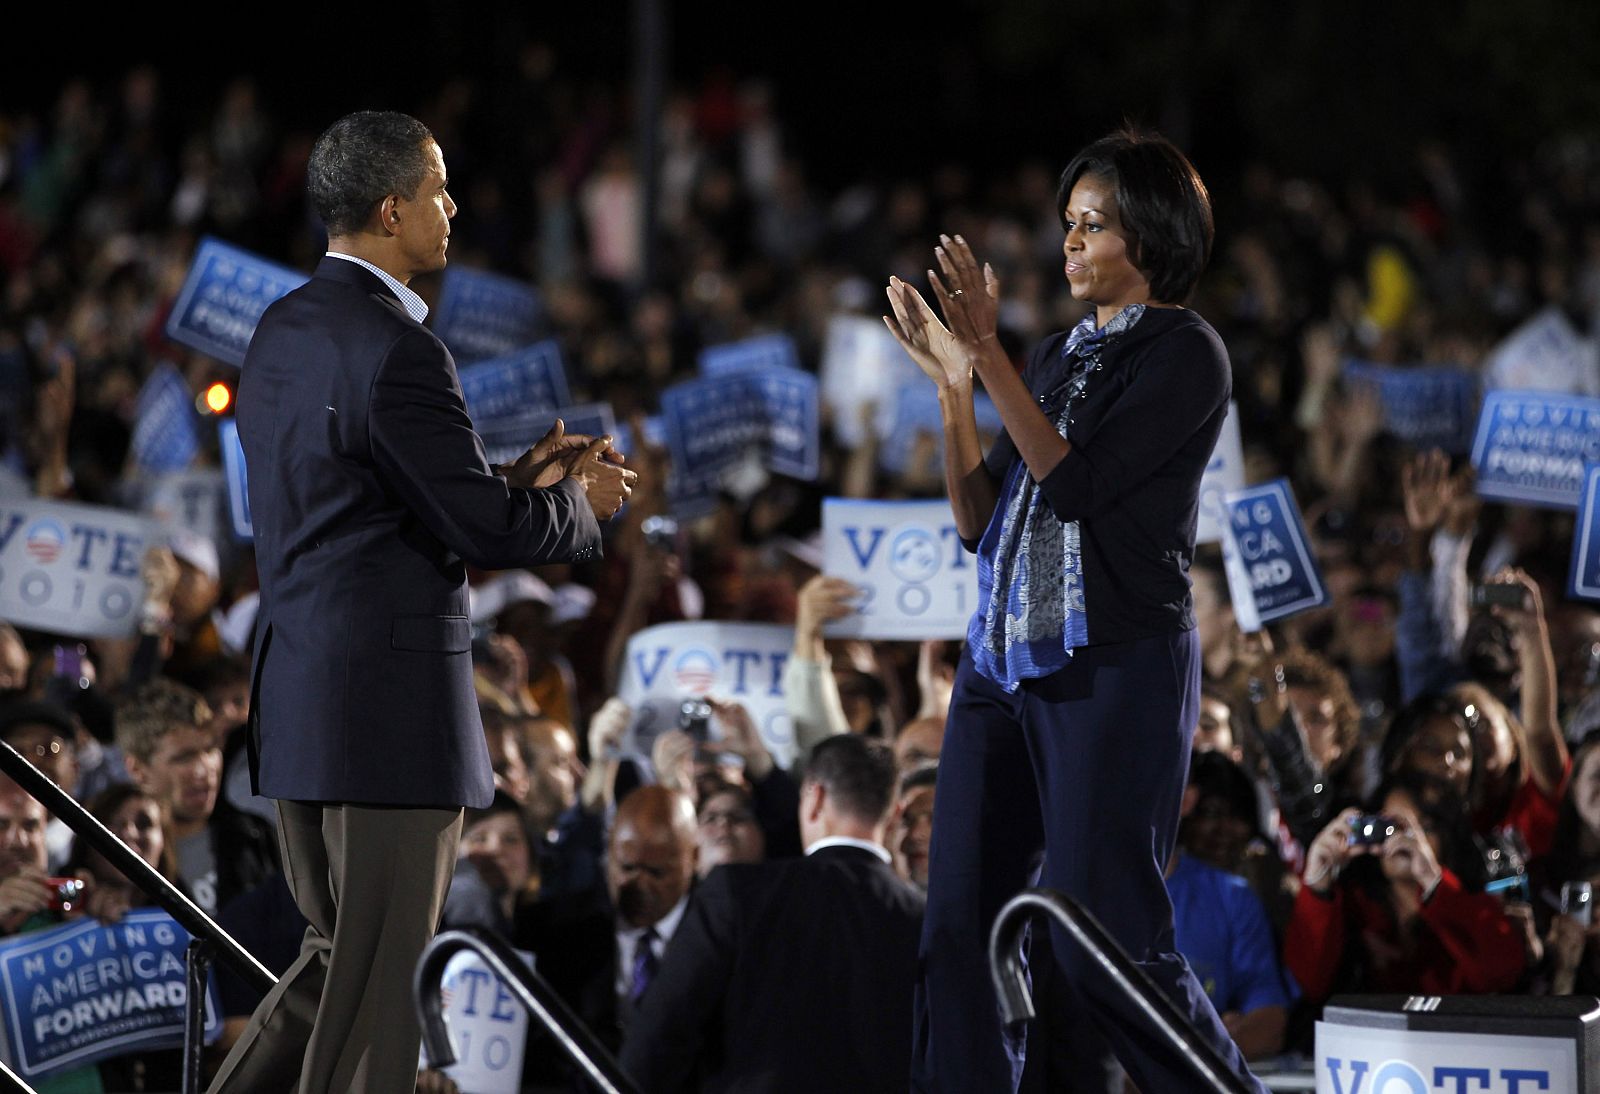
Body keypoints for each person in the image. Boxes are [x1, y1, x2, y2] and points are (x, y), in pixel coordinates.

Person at [209, 110, 634, 1094]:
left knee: (334, 969)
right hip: (387, 722)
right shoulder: (400, 348)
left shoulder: (282, 328)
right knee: (379, 998)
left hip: (304, 703)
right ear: (393, 209)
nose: (453, 208)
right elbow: (482, 530)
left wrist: (510, 482)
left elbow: (366, 497)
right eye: (438, 190)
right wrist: (577, 504)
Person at [882, 128, 1265, 1091]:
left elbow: (1078, 486)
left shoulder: (1187, 352)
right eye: (1069, 223)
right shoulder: (1057, 354)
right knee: (960, 930)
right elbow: (980, 522)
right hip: (999, 664)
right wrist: (957, 389)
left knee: (1105, 940)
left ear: (1153, 233)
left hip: (1113, 664)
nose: (1072, 242)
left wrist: (987, 351)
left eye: (1094, 224)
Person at [621, 734, 924, 1093]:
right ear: (895, 814)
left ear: (815, 798)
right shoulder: (927, 922)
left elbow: (656, 1043)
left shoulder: (736, 893)